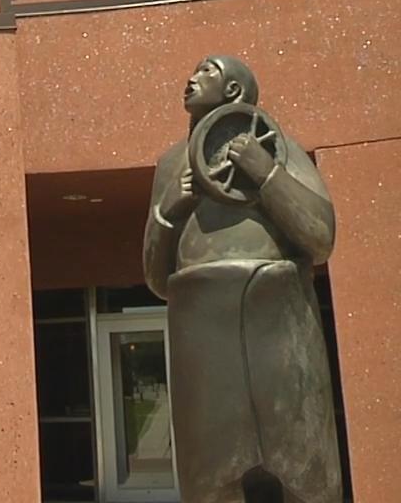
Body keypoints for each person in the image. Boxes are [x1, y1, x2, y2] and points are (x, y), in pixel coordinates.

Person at [143, 55, 342, 503]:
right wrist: (170, 208)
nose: (190, 77)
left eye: (207, 71)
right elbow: (156, 277)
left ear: (234, 91)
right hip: (203, 332)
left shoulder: (276, 147)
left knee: (308, 473)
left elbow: (320, 236)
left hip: (278, 321)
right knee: (209, 479)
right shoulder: (173, 164)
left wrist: (264, 171)